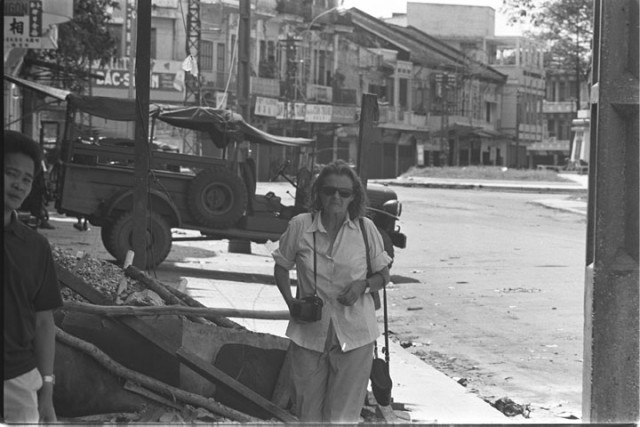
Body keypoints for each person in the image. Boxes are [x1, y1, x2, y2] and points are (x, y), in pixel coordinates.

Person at [272, 160, 391, 422]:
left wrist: (363, 285)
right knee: (308, 414)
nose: (336, 197)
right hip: (309, 332)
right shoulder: (300, 226)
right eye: (329, 191)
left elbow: (383, 275)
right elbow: (281, 267)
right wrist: (291, 302)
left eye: (344, 193)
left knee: (342, 417)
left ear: (353, 197)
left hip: (356, 334)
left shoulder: (365, 229)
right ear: (319, 193)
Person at [4, 130, 63, 423]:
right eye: (11, 174)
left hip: (18, 381)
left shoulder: (35, 247)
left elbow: (43, 322)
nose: (19, 185)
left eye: (27, 179)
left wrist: (47, 393)